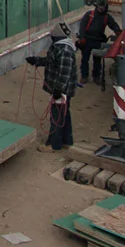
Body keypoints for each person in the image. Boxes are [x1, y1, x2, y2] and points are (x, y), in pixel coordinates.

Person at [26, 23, 79, 151]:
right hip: (62, 89)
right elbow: (52, 62)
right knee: (64, 114)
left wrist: (58, 90)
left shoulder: (64, 50)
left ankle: (53, 144)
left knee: (57, 116)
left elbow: (64, 73)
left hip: (62, 90)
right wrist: (36, 61)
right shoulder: (61, 47)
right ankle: (67, 140)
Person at [77, 0, 120, 86]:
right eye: (99, 7)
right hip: (87, 40)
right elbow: (82, 26)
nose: (101, 9)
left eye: (102, 7)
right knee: (85, 59)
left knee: (97, 59)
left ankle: (96, 76)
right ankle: (84, 76)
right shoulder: (89, 15)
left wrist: (118, 31)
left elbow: (113, 25)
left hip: (98, 40)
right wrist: (82, 37)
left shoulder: (106, 17)